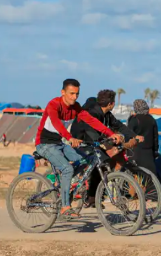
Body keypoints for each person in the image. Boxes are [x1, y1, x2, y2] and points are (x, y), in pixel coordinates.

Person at [35, 79, 123, 217]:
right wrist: (69, 137)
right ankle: (65, 207)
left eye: (77, 94)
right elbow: (56, 123)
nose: (74, 97)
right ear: (62, 92)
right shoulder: (54, 104)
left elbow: (92, 120)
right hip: (44, 144)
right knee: (67, 168)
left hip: (59, 143)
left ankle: (66, 186)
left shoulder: (75, 107)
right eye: (71, 93)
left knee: (86, 160)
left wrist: (111, 134)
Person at [70, 90, 141, 207]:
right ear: (111, 104)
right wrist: (106, 140)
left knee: (102, 165)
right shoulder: (92, 113)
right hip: (81, 141)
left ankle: (92, 198)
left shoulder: (107, 114)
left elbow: (119, 125)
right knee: (97, 162)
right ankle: (72, 184)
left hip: (93, 141)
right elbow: (91, 132)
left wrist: (134, 136)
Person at [127, 99, 159, 175]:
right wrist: (155, 151)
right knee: (150, 177)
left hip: (135, 152)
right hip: (149, 152)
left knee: (135, 176)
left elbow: (128, 135)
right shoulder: (152, 119)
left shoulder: (134, 119)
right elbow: (155, 137)